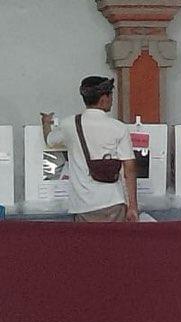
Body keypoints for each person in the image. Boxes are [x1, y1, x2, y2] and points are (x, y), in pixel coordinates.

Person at [40, 76, 138, 223]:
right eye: (111, 95)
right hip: (114, 203)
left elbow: (49, 141)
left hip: (83, 206)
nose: (112, 99)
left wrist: (46, 123)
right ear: (103, 99)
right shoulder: (119, 128)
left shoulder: (69, 124)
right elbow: (129, 169)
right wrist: (133, 206)